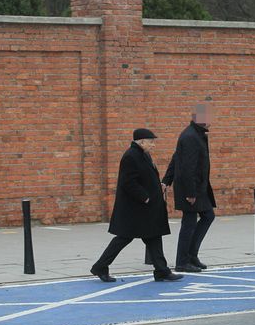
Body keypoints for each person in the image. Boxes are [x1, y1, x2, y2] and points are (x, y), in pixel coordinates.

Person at [90, 128, 183, 283]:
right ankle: (100, 266)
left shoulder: (142, 155)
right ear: (141, 141)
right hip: (135, 209)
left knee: (153, 236)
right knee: (123, 238)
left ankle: (161, 270)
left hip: (145, 209)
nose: (154, 145)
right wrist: (145, 197)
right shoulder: (131, 156)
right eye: (151, 142)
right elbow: (128, 182)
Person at [163, 104, 216, 273]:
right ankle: (182, 261)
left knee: (207, 216)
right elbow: (186, 167)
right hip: (191, 188)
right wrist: (190, 193)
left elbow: (176, 158)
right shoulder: (191, 137)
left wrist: (166, 180)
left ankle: (191, 255)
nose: (210, 121)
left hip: (198, 187)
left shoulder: (196, 135)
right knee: (189, 223)